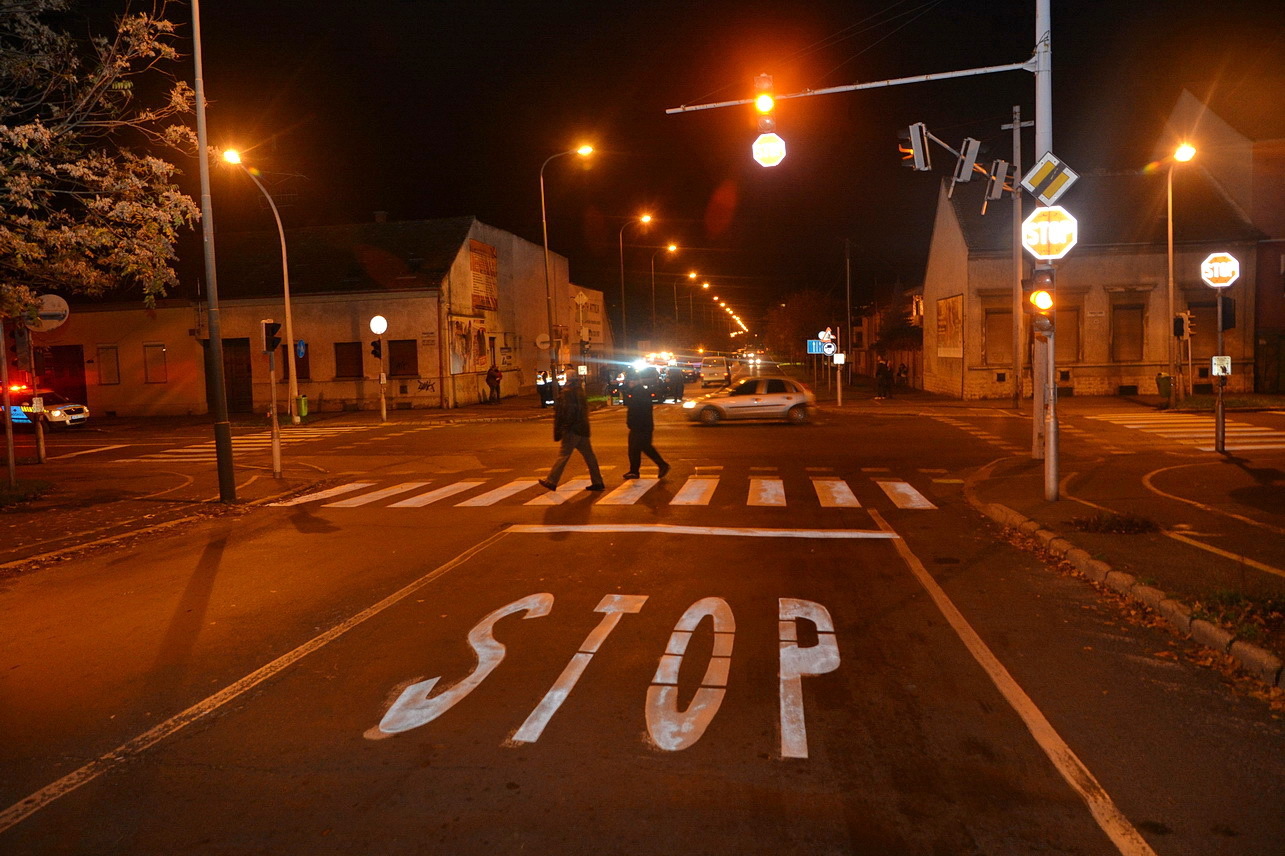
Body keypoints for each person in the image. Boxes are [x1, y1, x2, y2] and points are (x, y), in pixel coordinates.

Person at [538, 375, 605, 492]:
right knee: (589, 456)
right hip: (582, 429)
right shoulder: (580, 392)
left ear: (568, 380)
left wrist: (564, 427)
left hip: (572, 430)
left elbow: (568, 412)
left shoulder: (568, 393)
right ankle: (598, 481)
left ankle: (551, 481)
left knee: (563, 455)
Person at [622, 373, 670, 480]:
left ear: (633, 382)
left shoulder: (638, 392)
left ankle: (661, 465)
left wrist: (633, 423)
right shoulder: (639, 391)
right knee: (638, 448)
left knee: (640, 448)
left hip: (640, 426)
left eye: (630, 382)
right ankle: (635, 471)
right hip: (642, 425)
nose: (629, 384)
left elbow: (636, 410)